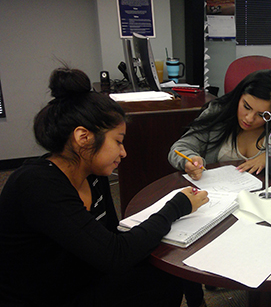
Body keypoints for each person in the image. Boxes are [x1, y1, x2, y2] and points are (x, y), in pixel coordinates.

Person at [0, 67, 209, 307]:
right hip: (45, 296)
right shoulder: (37, 185)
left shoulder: (92, 173)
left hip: (78, 276)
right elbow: (115, 254)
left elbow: (110, 234)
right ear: (83, 138)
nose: (123, 152)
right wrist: (176, 207)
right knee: (156, 276)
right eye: (118, 141)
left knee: (165, 268)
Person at [168, 69, 271, 180]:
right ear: (239, 96)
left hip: (270, 198)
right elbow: (180, 148)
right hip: (219, 198)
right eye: (246, 106)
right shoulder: (218, 112)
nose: (248, 118)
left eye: (262, 115)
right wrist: (189, 160)